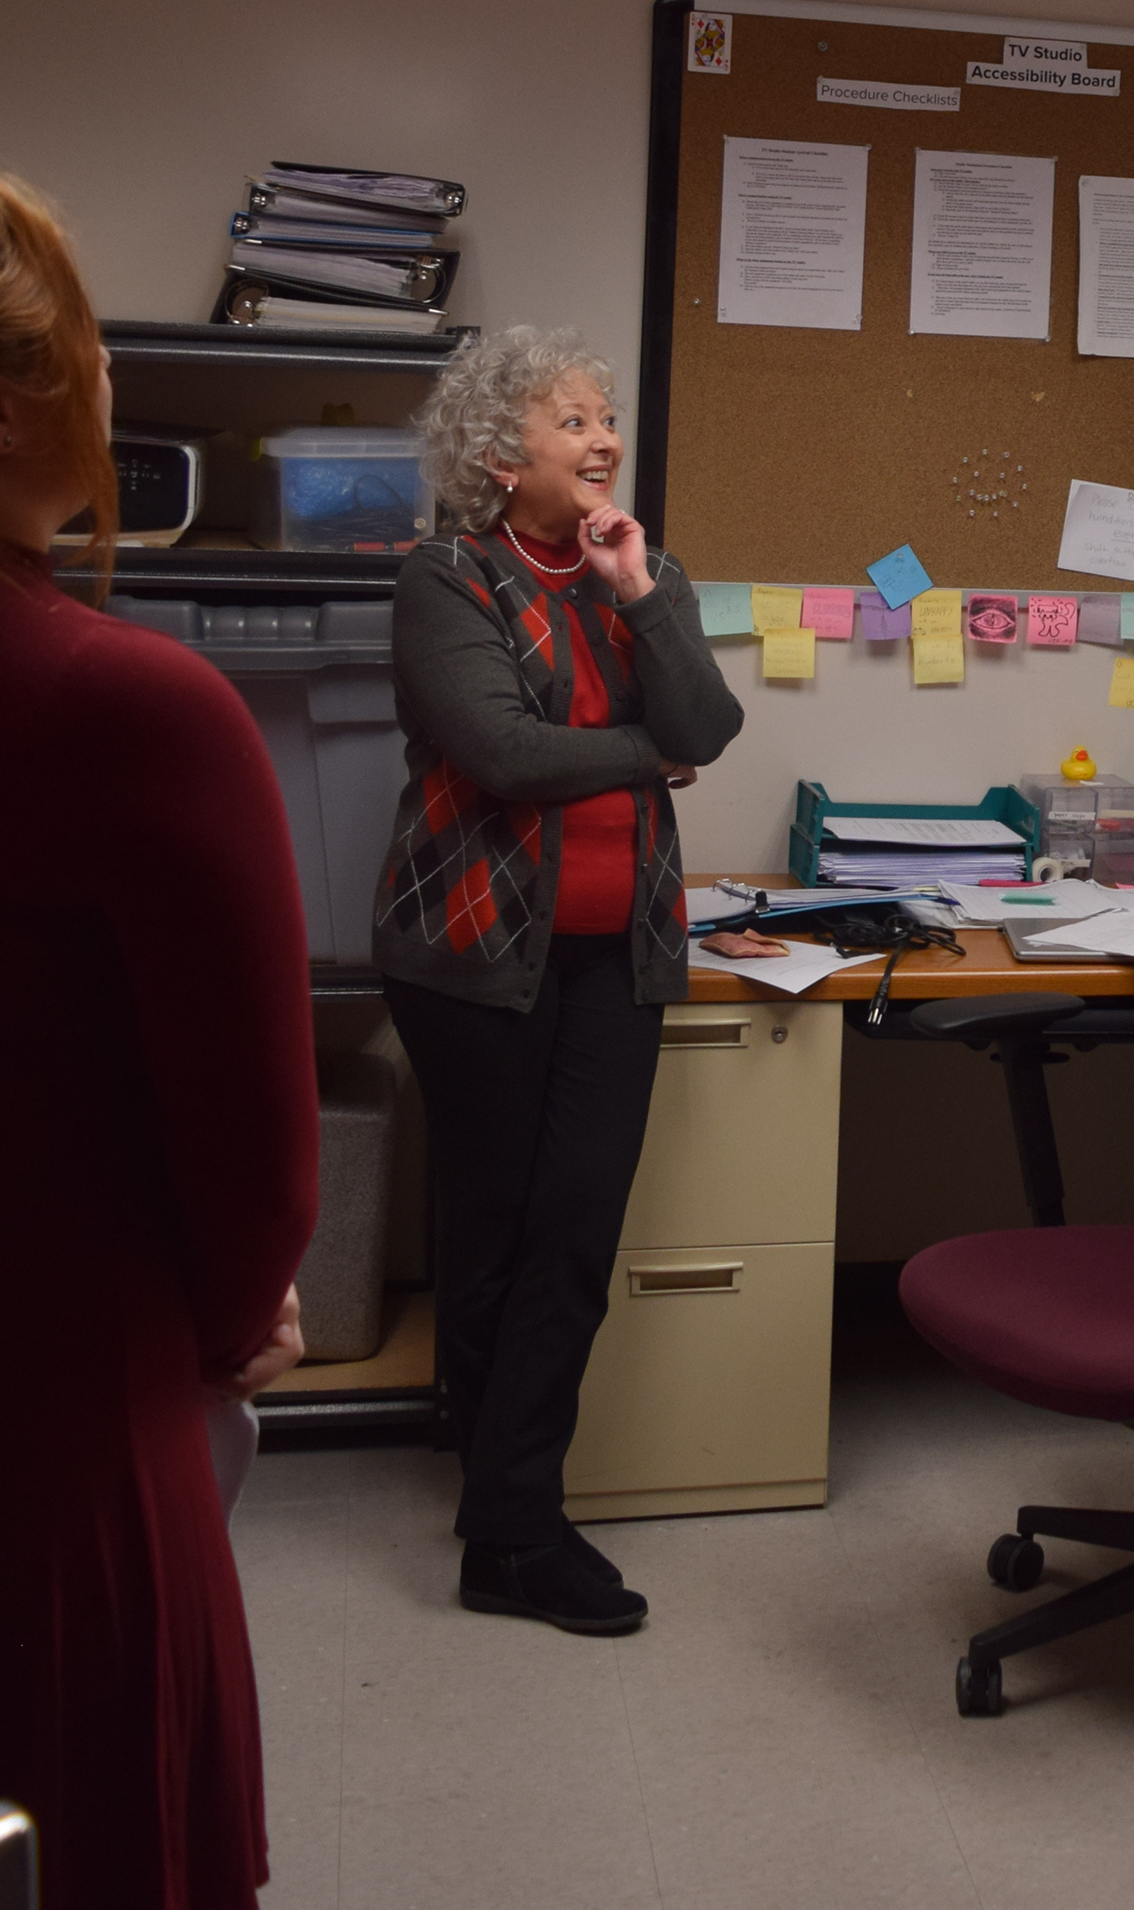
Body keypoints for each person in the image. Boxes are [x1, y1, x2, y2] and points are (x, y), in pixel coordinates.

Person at [0, 171, 317, 1909]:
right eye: (89, 342)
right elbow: (258, 1172)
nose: (110, 377)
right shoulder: (123, 702)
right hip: (63, 1454)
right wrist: (244, 1323)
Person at [375, 327, 743, 1634]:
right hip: (472, 957)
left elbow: (710, 726)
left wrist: (638, 593)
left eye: (605, 418)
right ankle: (511, 1514)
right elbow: (505, 753)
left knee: (575, 1230)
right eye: (572, 421)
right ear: (499, 455)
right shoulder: (445, 577)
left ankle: (507, 1514)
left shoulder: (645, 571)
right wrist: (648, 756)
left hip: (619, 955)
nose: (604, 441)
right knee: (494, 1231)